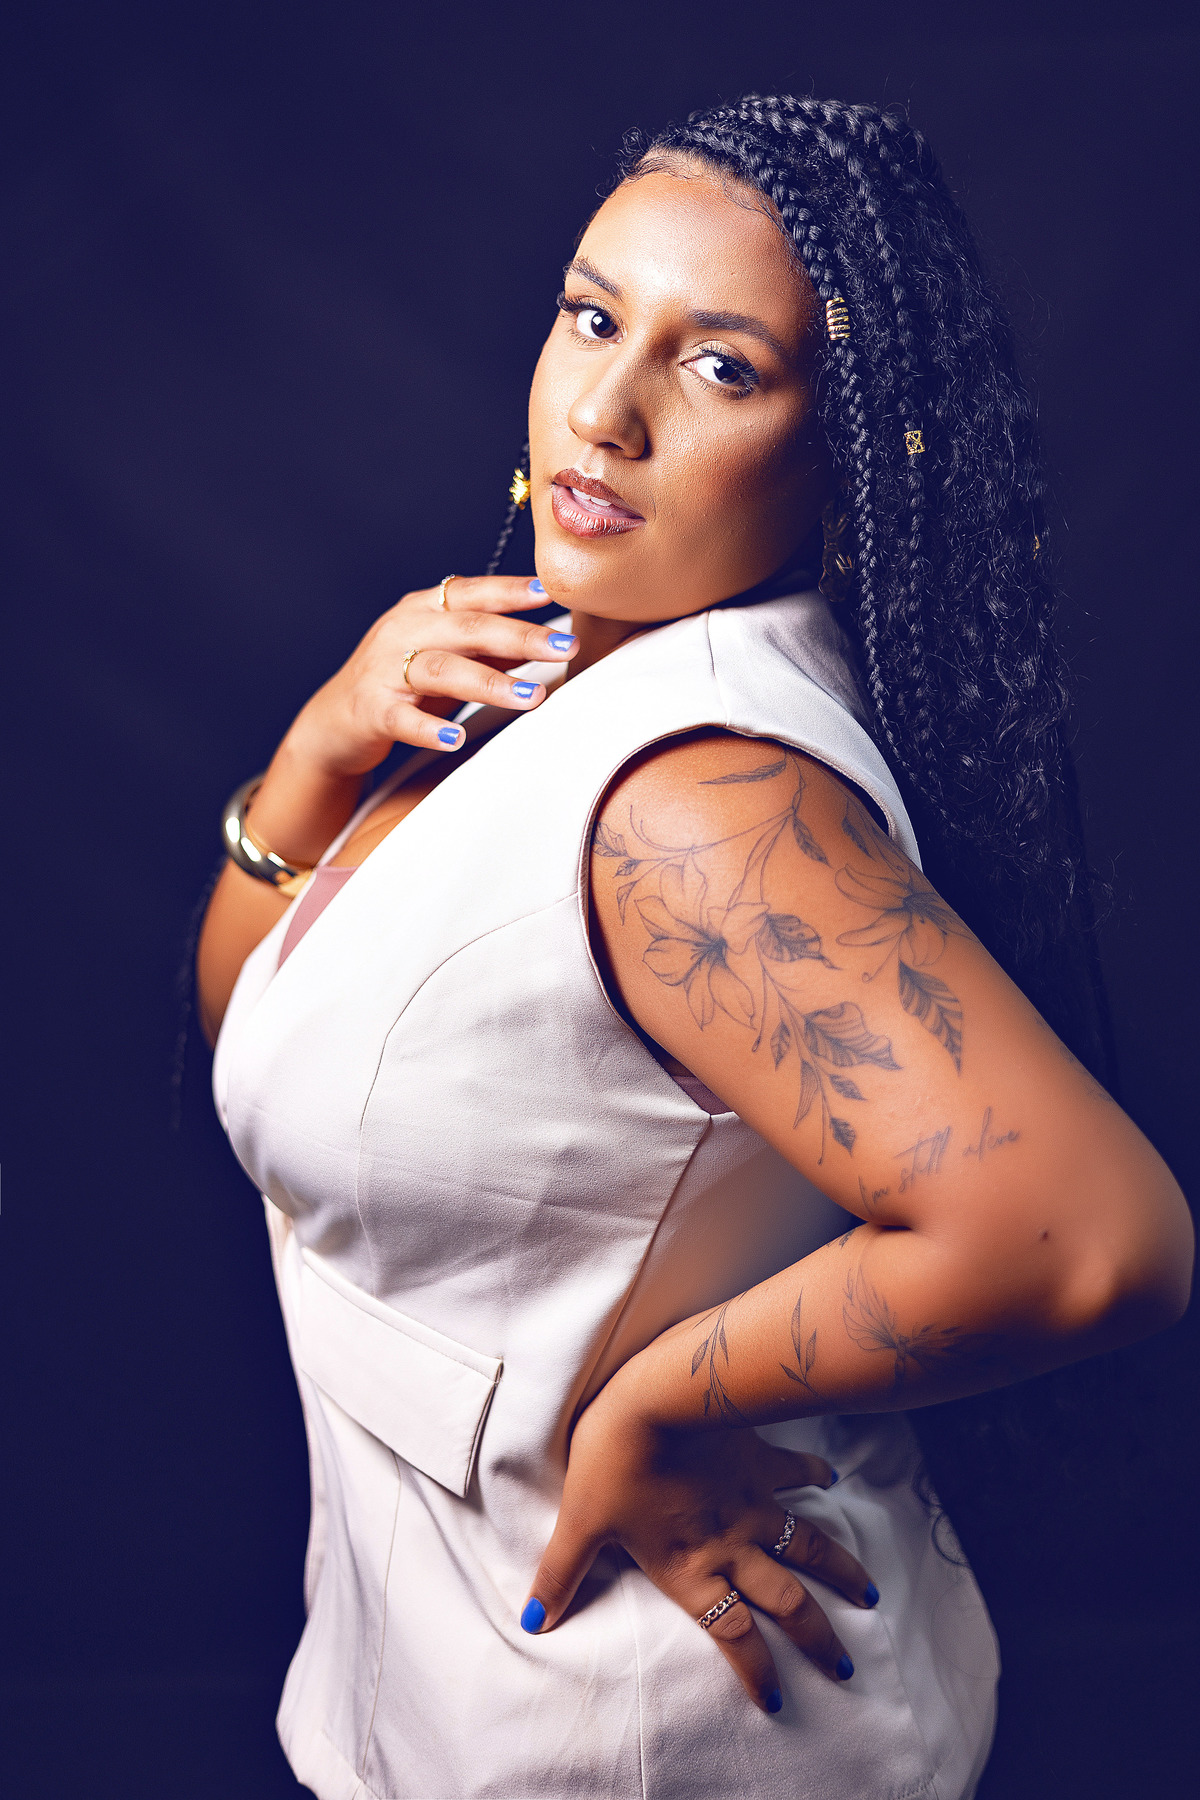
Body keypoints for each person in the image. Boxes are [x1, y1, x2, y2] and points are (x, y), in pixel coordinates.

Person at [197, 95, 1192, 1800]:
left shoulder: (697, 807)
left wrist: (658, 1402)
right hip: (445, 1683)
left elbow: (1095, 1240)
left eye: (722, 367)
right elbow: (262, 1025)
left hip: (644, 1728)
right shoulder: (558, 672)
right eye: (593, 317)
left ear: (844, 454)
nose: (606, 409)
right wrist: (321, 752)